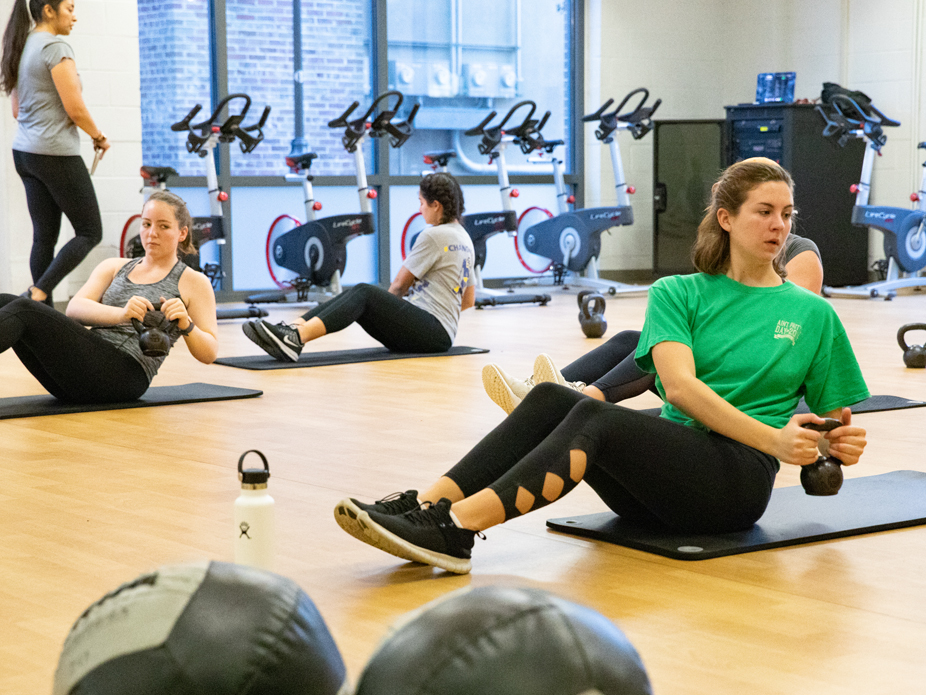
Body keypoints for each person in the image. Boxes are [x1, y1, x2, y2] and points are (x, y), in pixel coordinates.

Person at [334, 157, 870, 574]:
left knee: (597, 416)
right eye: (765, 211)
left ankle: (456, 531)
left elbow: (832, 423)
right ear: (726, 219)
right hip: (660, 484)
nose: (780, 225)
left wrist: (830, 442)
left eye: (787, 214)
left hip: (734, 485)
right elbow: (679, 389)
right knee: (551, 398)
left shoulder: (813, 314)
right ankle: (424, 507)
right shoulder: (678, 293)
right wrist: (779, 437)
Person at [484, 233, 825, 414]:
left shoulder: (800, 251)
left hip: (755, 380)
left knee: (662, 349)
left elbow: (785, 330)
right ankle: (543, 392)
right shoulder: (731, 257)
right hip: (720, 364)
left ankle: (567, 400)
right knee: (633, 339)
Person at [0, 191, 218, 403]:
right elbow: (74, 309)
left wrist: (187, 325)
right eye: (146, 224)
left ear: (182, 233)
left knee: (23, 309)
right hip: (84, 370)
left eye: (164, 226)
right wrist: (121, 314)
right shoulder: (115, 266)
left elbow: (209, 353)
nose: (152, 233)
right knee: (5, 300)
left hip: (124, 376)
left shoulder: (194, 282)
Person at [243, 172, 475, 361]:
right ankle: (291, 330)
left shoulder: (433, 235)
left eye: (422, 203)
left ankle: (296, 337)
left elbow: (398, 286)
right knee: (359, 296)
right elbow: (468, 301)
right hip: (441, 334)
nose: (420, 209)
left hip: (429, 332)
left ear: (436, 205)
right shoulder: (464, 239)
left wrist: (388, 310)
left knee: (364, 292)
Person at [2, 0, 109, 307]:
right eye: (70, 8)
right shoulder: (54, 48)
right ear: (49, 10)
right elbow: (74, 108)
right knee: (89, 231)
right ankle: (38, 293)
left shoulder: (22, 45)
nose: (75, 16)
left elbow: (16, 110)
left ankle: (40, 314)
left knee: (44, 237)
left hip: (25, 153)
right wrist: (98, 137)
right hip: (55, 154)